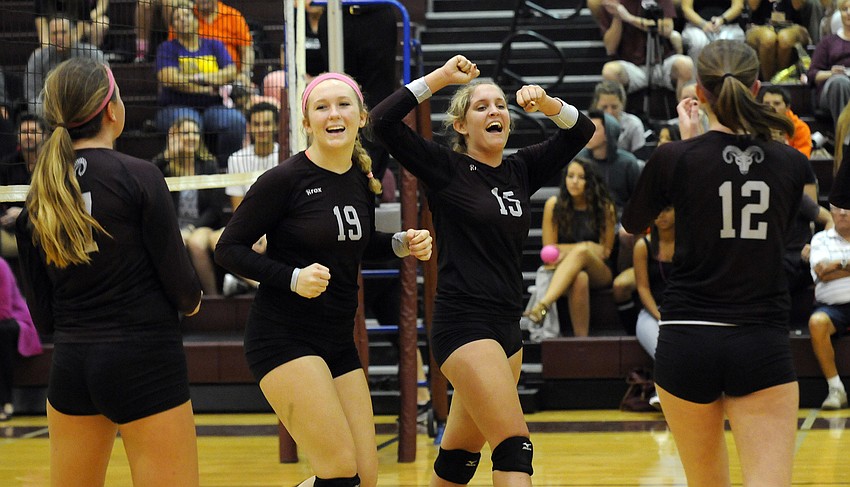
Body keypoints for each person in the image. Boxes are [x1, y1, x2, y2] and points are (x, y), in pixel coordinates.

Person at [371, 54, 594, 486]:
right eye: (481, 106)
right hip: (463, 326)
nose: (495, 111)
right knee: (514, 446)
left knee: (458, 459)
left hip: (507, 330)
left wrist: (547, 103)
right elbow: (381, 122)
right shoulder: (446, 169)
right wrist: (440, 79)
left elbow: (581, 130)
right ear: (461, 126)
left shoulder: (521, 169)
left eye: (501, 105)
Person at [215, 72, 432, 487]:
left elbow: (355, 244)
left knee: (364, 479)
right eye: (322, 106)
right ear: (308, 122)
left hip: (336, 341)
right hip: (282, 339)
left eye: (343, 104)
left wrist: (402, 243)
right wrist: (292, 278)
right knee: (338, 474)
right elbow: (228, 249)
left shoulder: (360, 179)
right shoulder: (283, 180)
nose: (334, 113)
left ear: (361, 116)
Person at [621, 40, 810, 486]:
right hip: (759, 339)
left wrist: (689, 149)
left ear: (700, 94)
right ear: (757, 88)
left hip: (687, 340)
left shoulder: (673, 157)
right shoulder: (790, 162)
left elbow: (633, 223)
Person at [14, 57, 202, 486]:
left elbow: (42, 318)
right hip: (145, 361)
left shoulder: (39, 194)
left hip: (73, 366)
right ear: (113, 110)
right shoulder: (140, 176)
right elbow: (185, 291)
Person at [525, 158, 617, 338]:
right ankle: (580, 342)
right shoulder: (554, 205)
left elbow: (605, 251)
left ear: (591, 182)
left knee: (582, 254)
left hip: (600, 270)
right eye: (570, 176)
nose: (574, 181)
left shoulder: (605, 208)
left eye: (581, 177)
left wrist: (578, 250)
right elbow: (549, 252)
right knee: (580, 277)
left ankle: (543, 304)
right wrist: (588, 246)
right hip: (564, 270)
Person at [155, 3, 246, 167]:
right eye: (177, 18)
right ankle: (190, 171)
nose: (183, 20)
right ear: (173, 26)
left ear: (197, 20)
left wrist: (199, 77)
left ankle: (226, 168)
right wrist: (206, 86)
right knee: (191, 123)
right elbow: (170, 78)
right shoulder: (167, 48)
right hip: (175, 106)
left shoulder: (214, 45)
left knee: (235, 121)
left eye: (187, 15)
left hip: (213, 107)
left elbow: (231, 71)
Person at [153, 117, 225, 297]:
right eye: (186, 133)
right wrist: (167, 156)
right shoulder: (166, 166)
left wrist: (192, 228)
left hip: (202, 225)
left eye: (195, 133)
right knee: (174, 242)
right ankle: (180, 299)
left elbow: (215, 209)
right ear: (175, 136)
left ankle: (212, 297)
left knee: (196, 244)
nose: (191, 137)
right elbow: (148, 177)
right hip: (173, 225)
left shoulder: (209, 164)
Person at [806, 159, 850, 409]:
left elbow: (829, 268)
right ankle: (835, 388)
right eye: (837, 208)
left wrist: (837, 265)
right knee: (816, 323)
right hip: (832, 308)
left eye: (846, 208)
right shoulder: (821, 238)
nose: (842, 212)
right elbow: (822, 272)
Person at [597, 0, 695, 99]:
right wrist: (617, 16)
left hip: (662, 63)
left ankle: (685, 111)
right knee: (609, 71)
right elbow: (610, 48)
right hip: (632, 67)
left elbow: (667, 28)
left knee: (685, 64)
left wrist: (629, 18)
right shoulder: (613, 3)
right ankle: (617, 113)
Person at [633, 206, 675, 410]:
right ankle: (664, 394)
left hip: (681, 311)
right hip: (651, 313)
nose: (660, 214)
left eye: (666, 209)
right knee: (663, 342)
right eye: (657, 210)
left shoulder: (688, 244)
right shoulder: (643, 246)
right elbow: (642, 288)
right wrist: (659, 316)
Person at [25, 12, 107, 115]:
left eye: (63, 32)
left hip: (87, 114)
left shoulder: (92, 54)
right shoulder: (37, 58)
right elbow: (32, 98)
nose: (59, 37)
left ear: (73, 33)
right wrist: (56, 115)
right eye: (55, 33)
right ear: (49, 36)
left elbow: (105, 88)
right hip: (50, 119)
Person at [167, 0, 255, 86]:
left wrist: (245, 74)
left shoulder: (233, 16)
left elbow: (246, 50)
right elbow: (171, 51)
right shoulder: (186, 18)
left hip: (231, 81)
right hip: (191, 81)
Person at [0, 256, 42, 421]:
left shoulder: (1, 266)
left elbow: (4, 311)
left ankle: (6, 402)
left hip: (16, 320)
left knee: (2, 331)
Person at [0, 115, 49, 259]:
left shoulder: (51, 165)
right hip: (11, 230)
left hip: (45, 226)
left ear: (45, 135)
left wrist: (23, 214)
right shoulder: (7, 164)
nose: (28, 136)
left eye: (33, 132)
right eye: (24, 132)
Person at [806, 0, 850, 127]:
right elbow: (812, 75)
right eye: (844, 9)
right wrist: (831, 73)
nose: (848, 13)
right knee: (840, 82)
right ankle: (845, 139)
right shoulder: (828, 42)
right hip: (833, 88)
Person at [745, 0, 812, 80]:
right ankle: (769, 85)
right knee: (768, 39)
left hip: (793, 25)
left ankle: (780, 81)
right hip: (760, 26)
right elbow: (753, 6)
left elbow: (797, 5)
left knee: (785, 39)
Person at [590, 80, 647, 153]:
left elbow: (640, 161)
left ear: (622, 104)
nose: (609, 112)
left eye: (614, 107)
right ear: (596, 106)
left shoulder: (634, 125)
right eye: (604, 107)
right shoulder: (588, 125)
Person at [759, 85, 813, 158]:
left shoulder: (800, 128)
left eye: (777, 103)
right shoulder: (756, 125)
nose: (771, 108)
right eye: (766, 104)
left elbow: (803, 160)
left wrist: (784, 145)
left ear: (787, 107)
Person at [680, 0, 746, 60]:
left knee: (726, 44)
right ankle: (696, 73)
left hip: (728, 24)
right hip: (696, 25)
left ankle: (725, 73)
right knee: (698, 43)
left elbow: (738, 6)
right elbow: (686, 8)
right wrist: (703, 24)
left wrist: (722, 20)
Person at [35, 0, 110, 48]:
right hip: (54, 31)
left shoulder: (82, 3)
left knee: (101, 23)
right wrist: (47, 47)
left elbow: (81, 26)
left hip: (74, 30)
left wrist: (69, 42)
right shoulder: (41, 2)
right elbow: (42, 31)